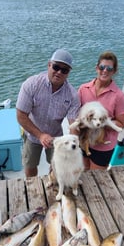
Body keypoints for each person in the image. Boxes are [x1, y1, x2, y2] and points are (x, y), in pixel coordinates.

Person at [16, 49, 80, 178]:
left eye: (64, 70)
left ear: (68, 73)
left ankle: (53, 183)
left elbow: (73, 123)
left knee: (57, 164)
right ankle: (32, 186)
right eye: (56, 67)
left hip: (56, 135)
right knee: (30, 165)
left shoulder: (73, 95)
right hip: (32, 134)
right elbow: (21, 115)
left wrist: (73, 143)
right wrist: (40, 135)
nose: (59, 72)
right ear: (49, 65)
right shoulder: (31, 84)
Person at [78, 51, 124, 170]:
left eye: (109, 68)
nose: (105, 71)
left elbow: (121, 124)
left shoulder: (119, 97)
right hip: (84, 141)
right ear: (97, 68)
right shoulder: (83, 89)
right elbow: (76, 113)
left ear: (114, 71)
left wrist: (101, 123)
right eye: (102, 67)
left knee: (97, 179)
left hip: (103, 147)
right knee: (82, 173)